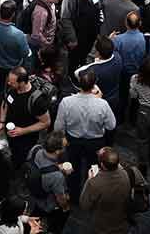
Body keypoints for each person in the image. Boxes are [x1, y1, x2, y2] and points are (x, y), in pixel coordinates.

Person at [54, 69, 116, 200]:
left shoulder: (66, 102)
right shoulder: (102, 104)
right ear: (94, 85)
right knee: (93, 170)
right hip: (95, 143)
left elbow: (58, 127)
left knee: (72, 169)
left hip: (73, 141)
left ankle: (74, 196)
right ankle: (90, 195)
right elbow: (111, 125)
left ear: (78, 84)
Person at [0, 67, 51, 168]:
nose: (9, 84)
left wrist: (23, 131)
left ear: (22, 83)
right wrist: (2, 122)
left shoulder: (37, 100)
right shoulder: (12, 87)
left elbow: (46, 122)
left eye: (12, 82)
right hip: (11, 132)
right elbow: (5, 102)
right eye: (9, 81)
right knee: (14, 150)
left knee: (23, 156)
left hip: (26, 138)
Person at [0, 0, 30, 116]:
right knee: (13, 91)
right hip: (14, 69)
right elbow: (25, 54)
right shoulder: (18, 35)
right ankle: (11, 114)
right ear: (13, 14)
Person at [79, 146, 142, 234]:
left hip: (102, 226)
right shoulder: (129, 173)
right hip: (123, 222)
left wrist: (89, 180)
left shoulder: (94, 183)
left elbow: (84, 204)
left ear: (102, 165)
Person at [26, 131, 71, 234]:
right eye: (64, 146)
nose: (66, 147)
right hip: (47, 202)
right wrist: (65, 207)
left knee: (37, 211)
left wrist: (56, 167)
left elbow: (38, 164)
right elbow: (60, 198)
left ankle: (31, 222)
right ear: (57, 151)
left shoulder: (36, 149)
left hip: (34, 189)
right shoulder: (57, 176)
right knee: (57, 217)